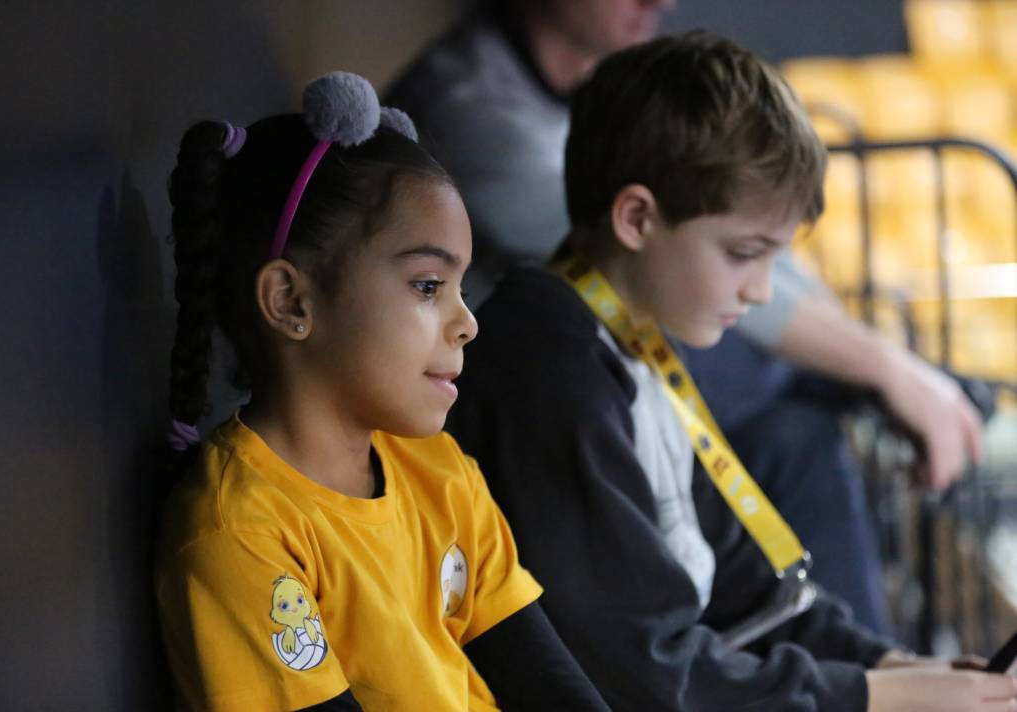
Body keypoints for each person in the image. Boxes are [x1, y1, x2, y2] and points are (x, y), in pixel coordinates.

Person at [445, 32, 1017, 711]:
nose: (762, 291)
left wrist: (896, 668)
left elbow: (751, 587)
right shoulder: (550, 374)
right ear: (637, 219)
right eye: (745, 253)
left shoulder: (635, 344)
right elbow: (645, 673)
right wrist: (871, 696)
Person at [152, 72, 609, 711]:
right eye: (427, 286)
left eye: (462, 290)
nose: (466, 322)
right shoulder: (240, 532)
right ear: (291, 301)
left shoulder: (440, 470)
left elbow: (545, 681)